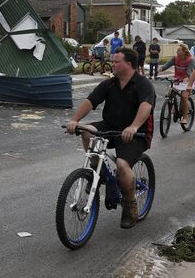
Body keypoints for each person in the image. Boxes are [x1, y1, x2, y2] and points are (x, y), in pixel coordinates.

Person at [66, 47, 155, 229]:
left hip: (135, 133)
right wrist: (75, 120)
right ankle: (97, 172)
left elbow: (146, 106)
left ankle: (130, 207)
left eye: (116, 61)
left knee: (122, 166)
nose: (112, 64)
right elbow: (90, 101)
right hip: (110, 126)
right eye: (112, 61)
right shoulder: (110, 84)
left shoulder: (143, 84)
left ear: (128, 64)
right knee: (85, 130)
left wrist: (134, 126)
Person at [159, 44, 195, 124]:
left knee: (184, 96)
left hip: (188, 81)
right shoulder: (175, 58)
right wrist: (161, 68)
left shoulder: (190, 60)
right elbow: (168, 64)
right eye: (177, 50)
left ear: (184, 51)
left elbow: (190, 70)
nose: (177, 52)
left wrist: (187, 77)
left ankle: (185, 117)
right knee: (170, 93)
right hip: (178, 80)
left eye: (179, 50)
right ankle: (173, 107)